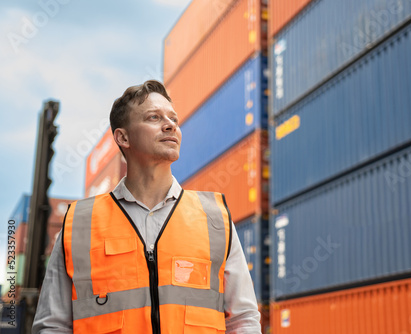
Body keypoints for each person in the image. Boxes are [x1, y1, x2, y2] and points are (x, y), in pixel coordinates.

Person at [32, 80, 262, 333]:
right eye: (154, 117)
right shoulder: (80, 223)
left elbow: (243, 320)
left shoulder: (214, 217)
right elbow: (52, 325)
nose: (170, 124)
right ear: (123, 137)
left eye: (173, 118)